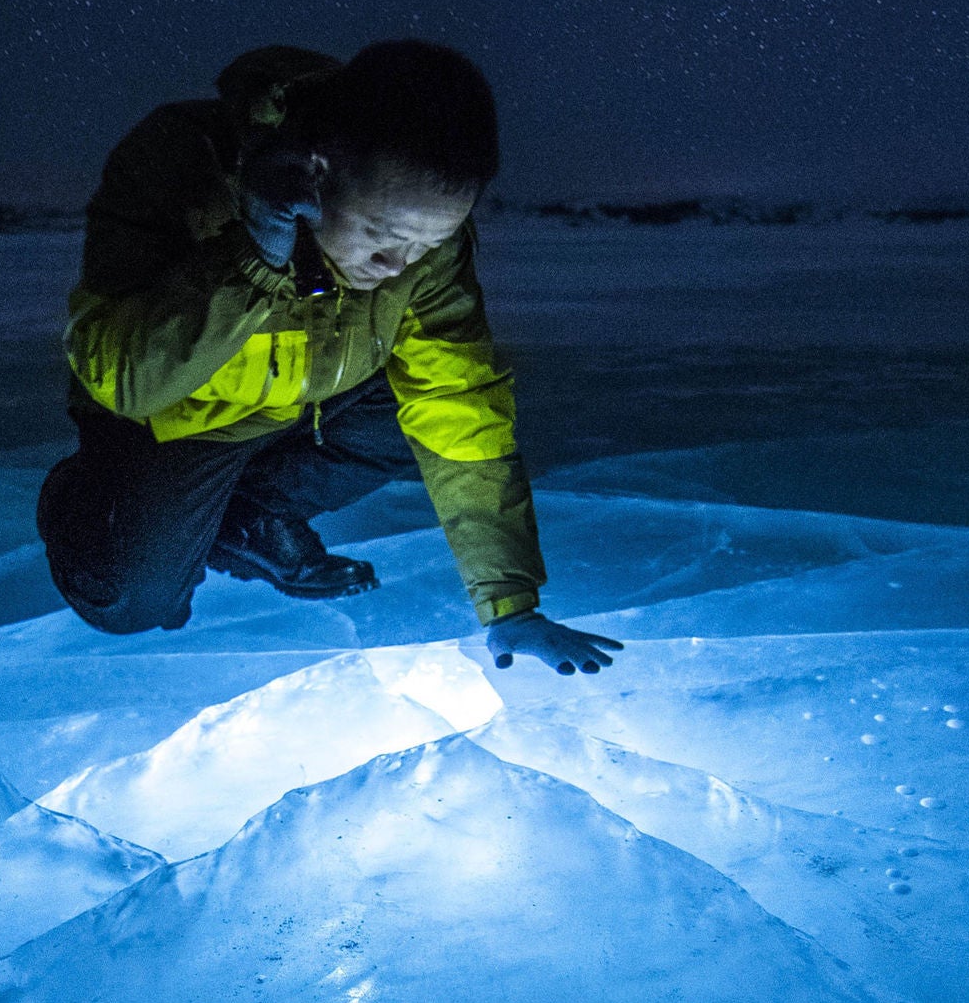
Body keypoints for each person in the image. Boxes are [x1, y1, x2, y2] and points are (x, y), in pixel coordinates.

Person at [36, 39, 622, 674]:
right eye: (382, 235)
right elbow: (122, 382)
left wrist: (510, 604)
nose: (398, 264)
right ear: (314, 172)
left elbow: (459, 403)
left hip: (307, 401)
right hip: (179, 418)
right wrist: (252, 258)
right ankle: (89, 499)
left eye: (429, 243)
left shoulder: (421, 243)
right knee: (133, 602)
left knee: (430, 407)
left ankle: (253, 514)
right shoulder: (181, 161)